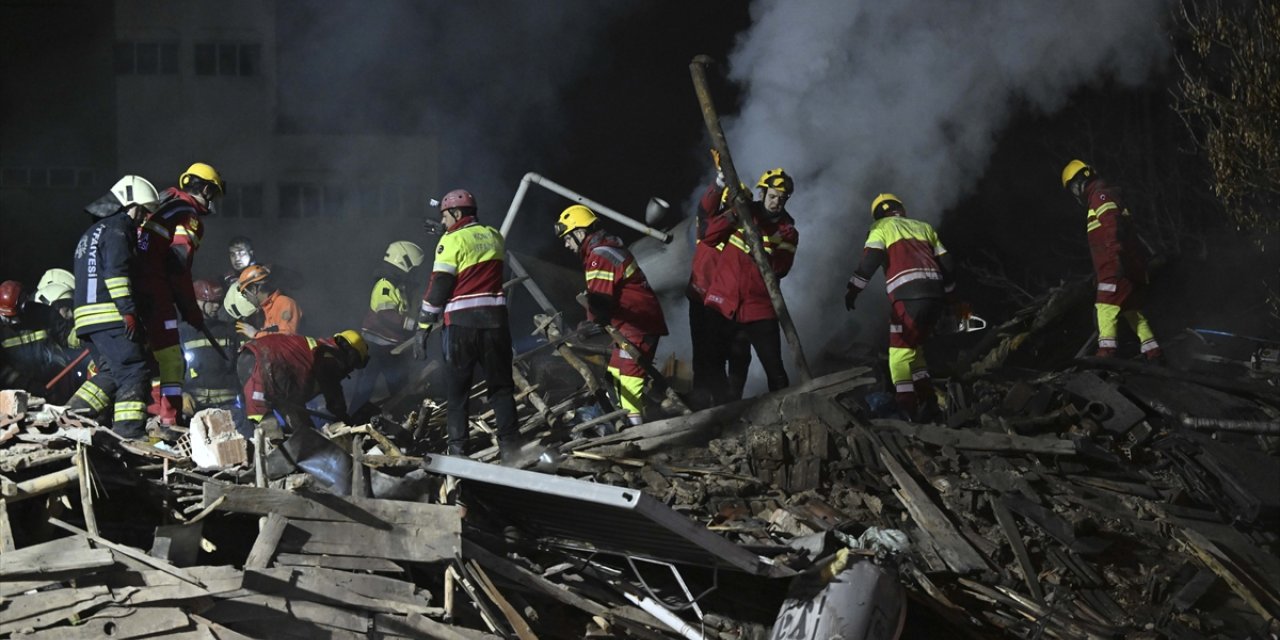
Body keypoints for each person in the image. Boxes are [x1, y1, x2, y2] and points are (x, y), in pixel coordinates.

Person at [412, 189, 521, 462]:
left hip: (461, 325)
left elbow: (440, 286)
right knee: (501, 387)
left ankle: (458, 451)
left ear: (457, 213)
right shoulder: (494, 235)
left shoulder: (450, 241)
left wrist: (423, 327)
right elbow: (473, 246)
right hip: (495, 323)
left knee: (458, 391)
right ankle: (512, 449)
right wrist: (447, 230)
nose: (443, 222)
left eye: (446, 216)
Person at [845, 194, 958, 421]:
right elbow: (947, 263)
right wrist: (950, 299)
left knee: (898, 355)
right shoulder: (923, 227)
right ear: (901, 209)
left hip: (907, 297)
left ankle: (906, 410)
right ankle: (928, 403)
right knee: (914, 351)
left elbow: (869, 263)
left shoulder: (880, 227)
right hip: (934, 297)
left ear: (878, 214)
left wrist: (853, 290)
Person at [66, 175, 162, 438]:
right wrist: (128, 311)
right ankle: (129, 434)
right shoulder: (120, 227)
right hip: (110, 314)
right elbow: (116, 273)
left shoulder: (92, 232)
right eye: (141, 211)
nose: (142, 219)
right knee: (134, 369)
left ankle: (71, 415)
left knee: (110, 371)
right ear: (129, 204)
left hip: (87, 320)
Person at [557, 205, 669, 426]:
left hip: (638, 324)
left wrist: (587, 326)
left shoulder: (600, 256)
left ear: (580, 233)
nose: (566, 244)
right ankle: (636, 421)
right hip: (634, 323)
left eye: (568, 238)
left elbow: (600, 300)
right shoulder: (605, 249)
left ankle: (640, 435)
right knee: (614, 376)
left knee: (628, 380)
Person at [135, 162, 224, 427]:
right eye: (214, 193)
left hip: (133, 291)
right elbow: (178, 266)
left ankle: (144, 415)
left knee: (141, 359)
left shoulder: (163, 201)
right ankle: (169, 421)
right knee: (172, 360)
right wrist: (191, 310)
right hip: (156, 291)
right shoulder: (188, 215)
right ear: (206, 189)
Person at [702, 168, 799, 397]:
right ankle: (724, 413)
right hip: (723, 303)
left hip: (759, 308)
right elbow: (708, 237)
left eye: (782, 199)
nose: (776, 202)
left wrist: (763, 247)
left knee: (774, 367)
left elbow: (781, 269)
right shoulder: (743, 213)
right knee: (722, 364)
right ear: (763, 193)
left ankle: (785, 411)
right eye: (773, 196)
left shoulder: (787, 231)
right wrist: (732, 215)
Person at [1061, 160, 1162, 360]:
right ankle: (1153, 350)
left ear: (1084, 178)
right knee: (1132, 312)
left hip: (1117, 266)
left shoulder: (1100, 196)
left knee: (1104, 306)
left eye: (1074, 185)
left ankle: (1106, 352)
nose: (1075, 192)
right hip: (1126, 266)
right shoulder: (1101, 197)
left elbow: (1112, 226)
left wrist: (1115, 261)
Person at [238, 330, 368, 437]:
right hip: (266, 363)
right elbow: (332, 391)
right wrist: (344, 418)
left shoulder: (314, 350)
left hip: (248, 358)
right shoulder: (330, 357)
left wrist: (308, 429)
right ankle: (274, 462)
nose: (349, 371)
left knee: (288, 417)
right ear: (352, 356)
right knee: (267, 423)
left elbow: (294, 400)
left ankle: (298, 445)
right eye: (354, 365)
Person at [350, 240, 424, 412]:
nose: (415, 274)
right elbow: (385, 315)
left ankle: (403, 420)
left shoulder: (399, 288)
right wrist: (413, 325)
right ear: (404, 264)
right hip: (374, 349)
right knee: (364, 389)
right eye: (414, 269)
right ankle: (352, 422)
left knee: (399, 389)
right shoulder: (385, 285)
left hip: (391, 348)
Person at [686, 155, 732, 408]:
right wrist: (720, 183)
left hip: (721, 301)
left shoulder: (739, 228)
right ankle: (703, 396)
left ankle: (719, 398)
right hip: (699, 295)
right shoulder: (708, 223)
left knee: (717, 352)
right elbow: (706, 207)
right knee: (702, 352)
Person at [179, 279, 239, 417]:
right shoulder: (183, 333)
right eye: (211, 302)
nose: (216, 306)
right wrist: (181, 393)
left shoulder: (229, 331)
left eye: (218, 302)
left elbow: (240, 368)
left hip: (228, 406)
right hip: (193, 405)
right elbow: (170, 370)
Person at [0, 280, 64, 394]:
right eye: (6, 317)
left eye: (13, 316)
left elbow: (64, 333)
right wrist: (28, 386)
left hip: (52, 382)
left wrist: (85, 339)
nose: (11, 322)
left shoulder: (42, 314)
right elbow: (2, 370)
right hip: (13, 392)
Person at [236, 264, 301, 338]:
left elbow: (287, 338)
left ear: (253, 289)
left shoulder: (284, 303)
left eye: (245, 294)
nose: (246, 298)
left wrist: (256, 334)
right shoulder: (264, 310)